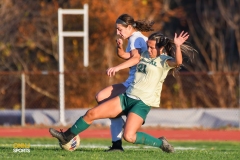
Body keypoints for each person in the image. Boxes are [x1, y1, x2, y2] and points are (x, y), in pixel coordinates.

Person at [49, 31, 196, 153]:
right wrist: (119, 47)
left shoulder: (165, 61)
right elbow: (125, 56)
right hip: (126, 97)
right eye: (148, 46)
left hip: (142, 103)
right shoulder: (143, 54)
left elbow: (178, 62)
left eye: (152, 47)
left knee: (129, 136)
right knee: (91, 113)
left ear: (161, 48)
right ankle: (66, 136)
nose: (148, 49)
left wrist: (177, 46)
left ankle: (160, 143)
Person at [95, 14, 154, 151]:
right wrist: (120, 48)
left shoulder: (135, 38)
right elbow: (125, 56)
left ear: (129, 27)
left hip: (136, 84)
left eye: (119, 29)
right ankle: (117, 144)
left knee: (102, 97)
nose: (117, 32)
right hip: (133, 82)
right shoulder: (136, 38)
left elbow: (136, 59)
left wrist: (117, 68)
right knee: (103, 99)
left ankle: (118, 139)